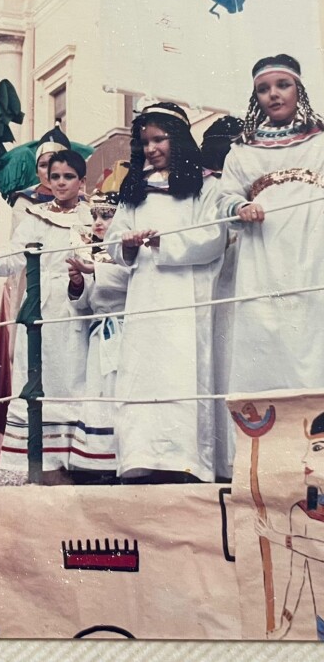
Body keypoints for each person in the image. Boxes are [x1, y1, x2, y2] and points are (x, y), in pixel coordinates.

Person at [105, 102, 226, 484]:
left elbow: (214, 236)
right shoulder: (135, 190)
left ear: (179, 139)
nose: (151, 148)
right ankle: (141, 458)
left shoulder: (205, 186)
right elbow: (113, 240)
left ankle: (187, 460)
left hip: (186, 296)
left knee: (183, 373)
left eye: (159, 139)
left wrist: (163, 243)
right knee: (143, 372)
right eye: (144, 142)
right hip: (145, 298)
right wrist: (125, 244)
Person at [0, 150, 92, 481]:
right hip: (40, 308)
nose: (61, 183)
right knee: (37, 377)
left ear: (81, 180)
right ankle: (39, 463)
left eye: (69, 177)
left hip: (78, 307)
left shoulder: (93, 217)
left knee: (74, 379)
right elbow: (14, 256)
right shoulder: (35, 217)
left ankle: (77, 458)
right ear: (47, 180)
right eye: (55, 177)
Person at [218, 53, 324, 393]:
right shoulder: (242, 150)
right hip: (262, 254)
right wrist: (241, 205)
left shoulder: (320, 141)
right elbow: (224, 197)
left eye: (283, 85)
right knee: (265, 333)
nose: (273, 94)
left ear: (299, 89)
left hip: (314, 248)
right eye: (263, 89)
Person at [66, 164, 130, 484]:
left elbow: (130, 281)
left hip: (124, 332)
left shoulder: (124, 253)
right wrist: (78, 283)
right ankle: (97, 461)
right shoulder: (93, 251)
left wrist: (93, 270)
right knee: (98, 394)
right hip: (99, 336)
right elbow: (86, 304)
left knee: (119, 393)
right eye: (95, 217)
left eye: (106, 216)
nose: (99, 223)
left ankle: (122, 459)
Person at [201, 115, 244, 480]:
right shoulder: (210, 188)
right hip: (223, 285)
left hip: (243, 283)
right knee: (223, 368)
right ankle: (226, 459)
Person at [256, 411, 324, 641]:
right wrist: (284, 626)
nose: (305, 459)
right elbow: (297, 575)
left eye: (316, 449)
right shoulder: (303, 510)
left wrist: (277, 537)